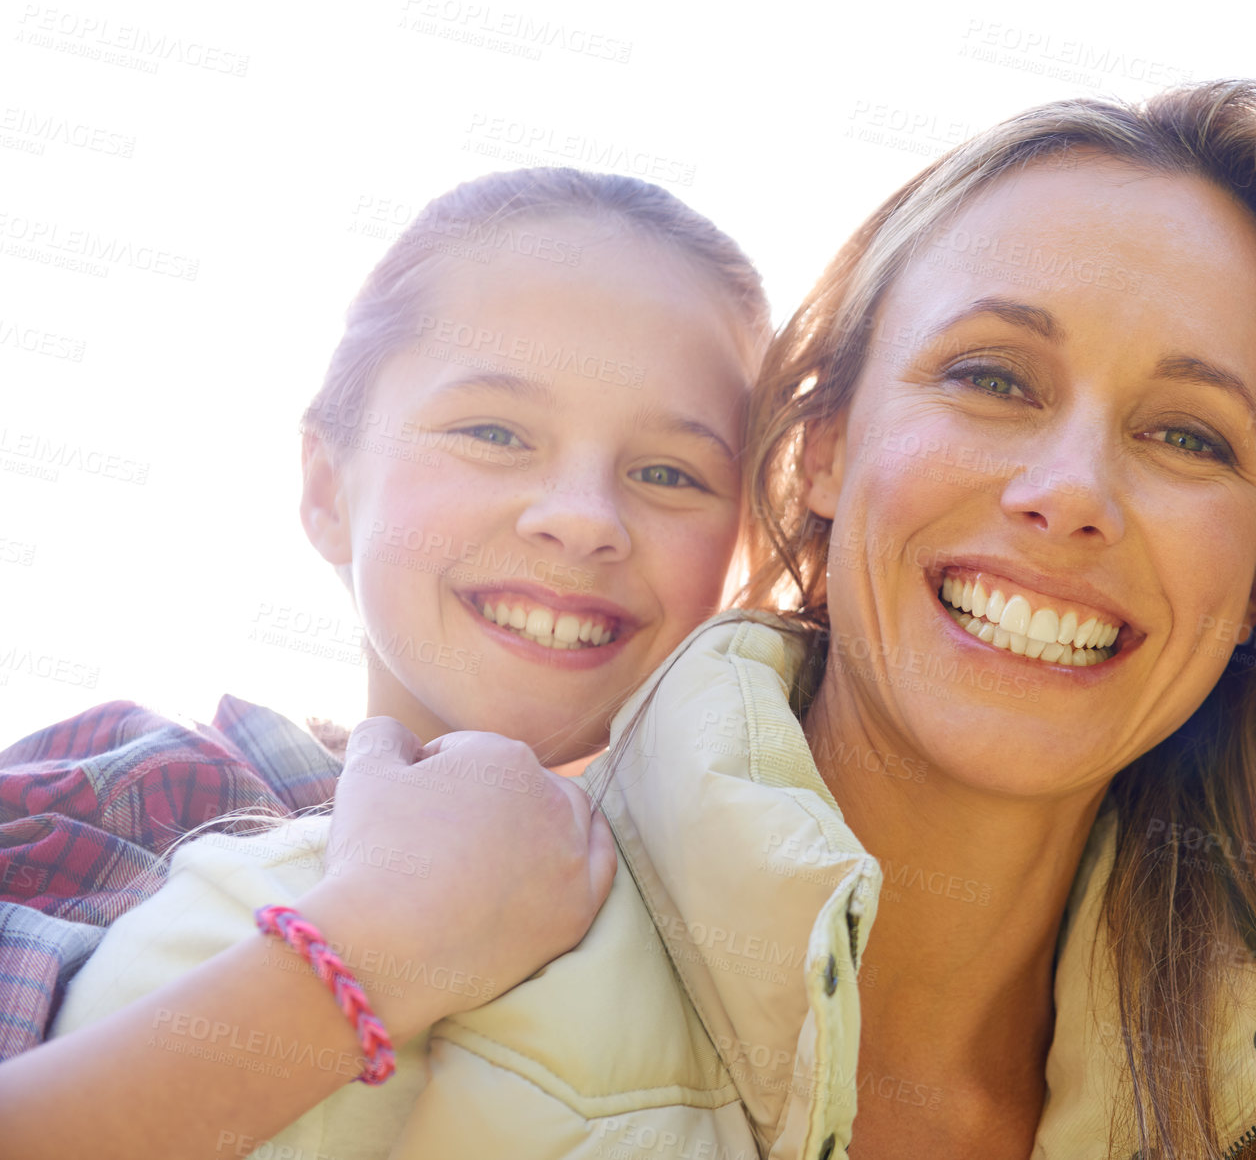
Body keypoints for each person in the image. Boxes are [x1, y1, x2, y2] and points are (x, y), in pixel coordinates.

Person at [45, 78, 1256, 1159]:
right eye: (992, 378)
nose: (1071, 491)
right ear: (810, 458)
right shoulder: (307, 932)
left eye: (1190, 437)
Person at [0, 167, 772, 1155]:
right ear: (328, 487)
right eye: (494, 432)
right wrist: (387, 937)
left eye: (669, 472)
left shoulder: (760, 921)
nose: (582, 516)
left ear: (745, 552)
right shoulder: (137, 796)